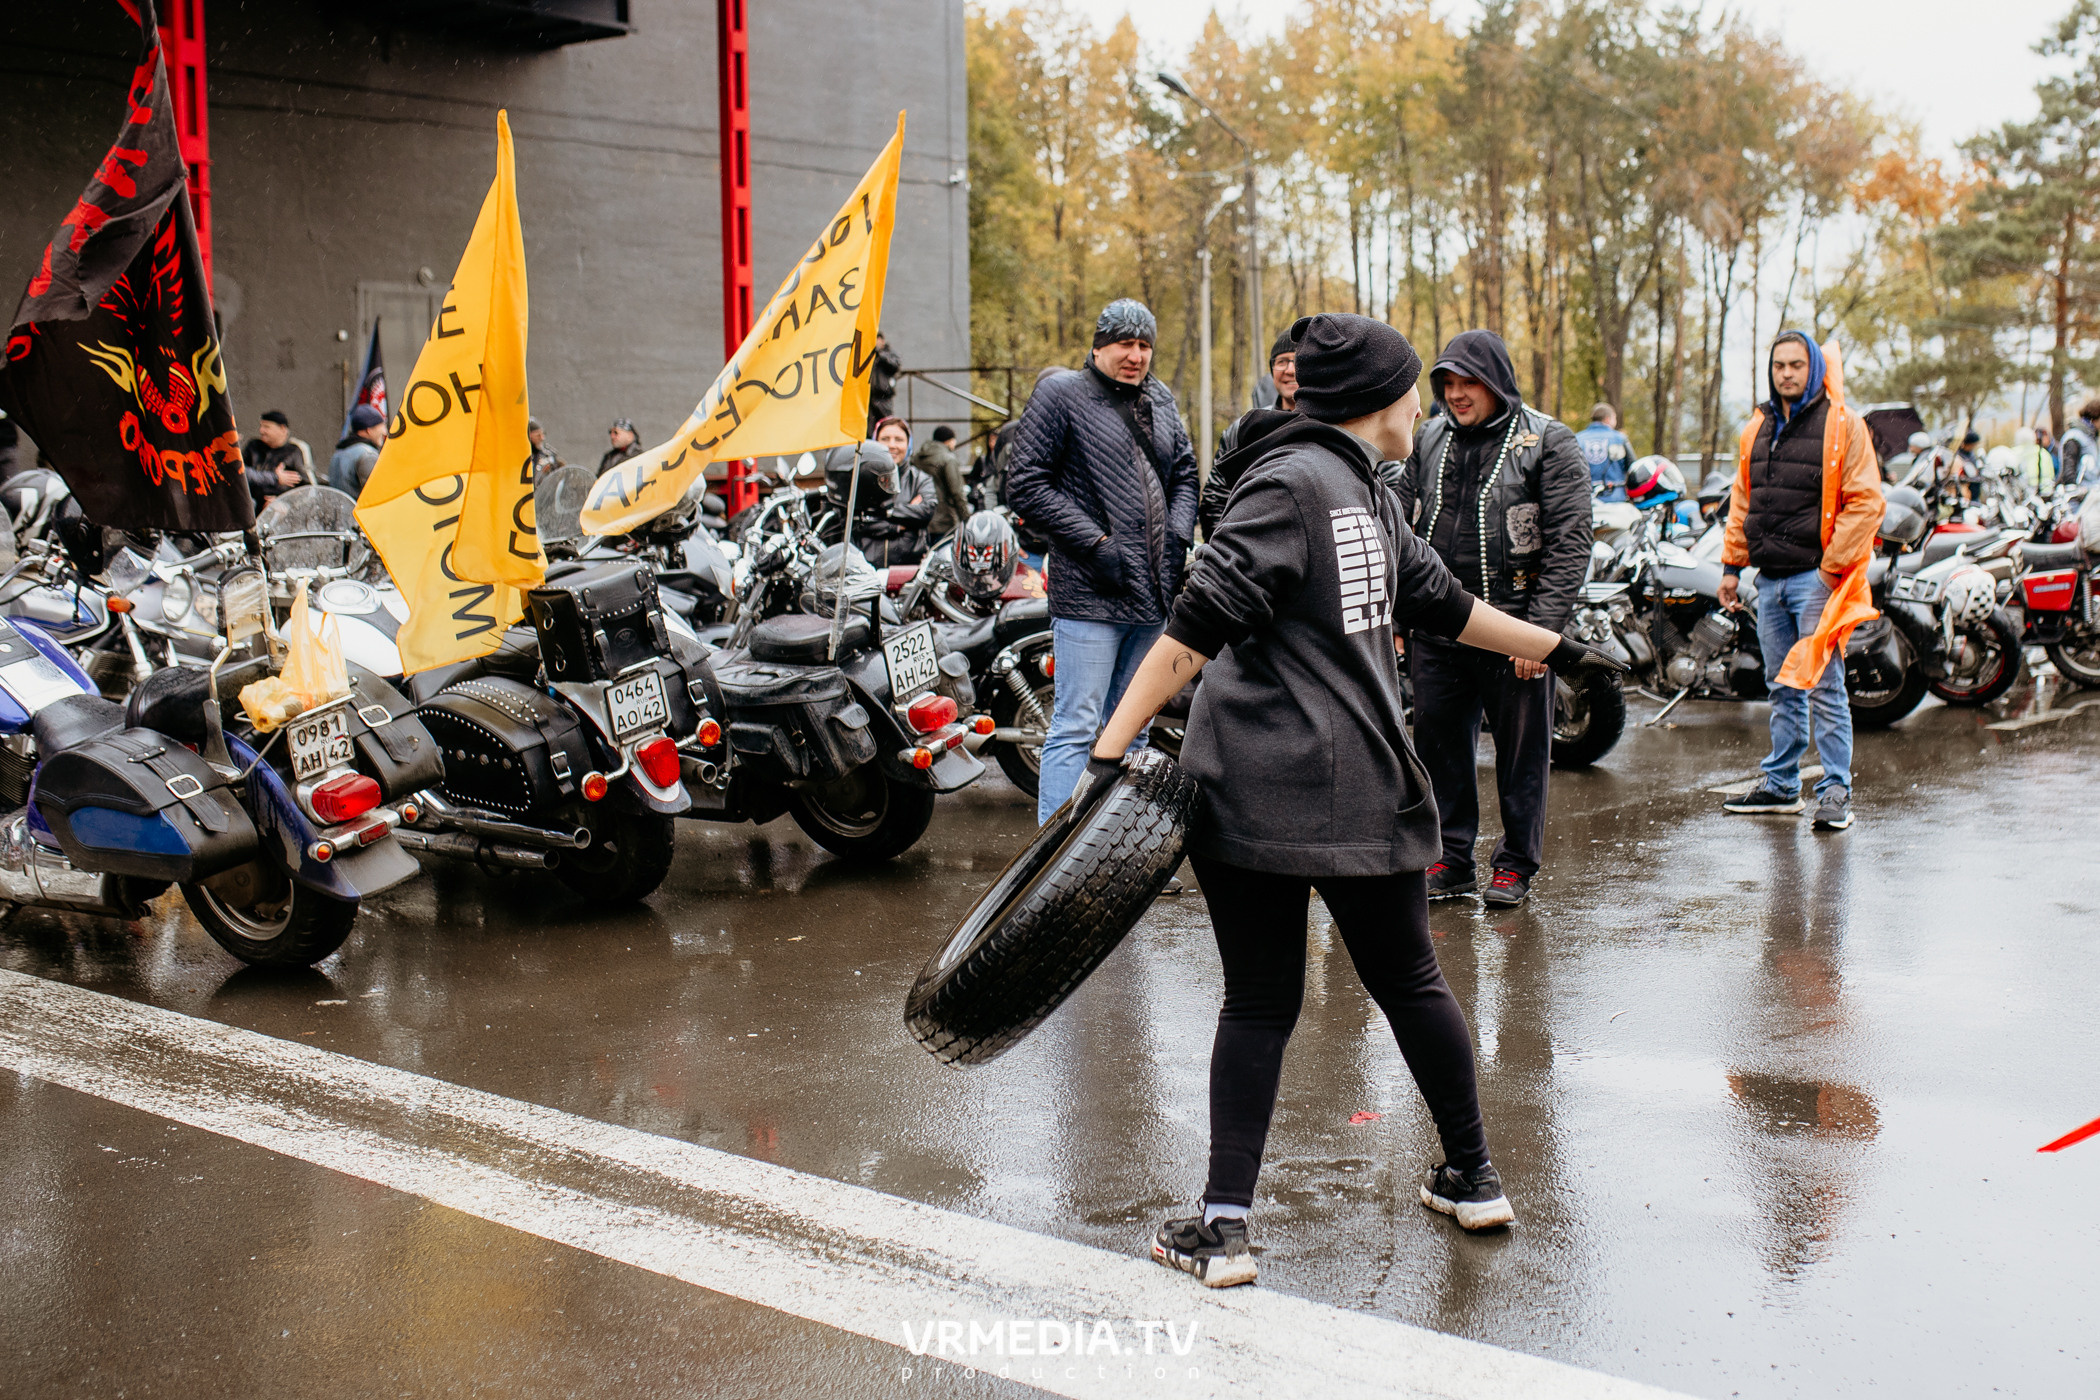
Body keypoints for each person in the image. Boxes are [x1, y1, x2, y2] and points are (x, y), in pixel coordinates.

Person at [1079, 312, 1628, 1286]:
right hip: (1351, 786)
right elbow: (1196, 623)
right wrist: (1107, 746)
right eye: (1414, 387)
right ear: (1378, 398)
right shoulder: (1314, 484)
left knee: (1262, 1002)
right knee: (1410, 982)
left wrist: (1564, 648)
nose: (1424, 404)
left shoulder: (1351, 487)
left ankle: (1226, 1226)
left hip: (1264, 786)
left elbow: (1445, 603)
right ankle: (1471, 1173)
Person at [1389, 330, 1590, 909]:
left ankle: (1515, 864)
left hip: (1515, 629)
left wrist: (1542, 634)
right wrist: (1400, 612)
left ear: (1496, 380)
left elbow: (1570, 544)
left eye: (1467, 381)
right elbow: (1399, 523)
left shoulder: (1549, 441)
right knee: (1439, 747)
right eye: (1447, 383)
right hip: (1439, 625)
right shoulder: (1427, 439)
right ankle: (1451, 860)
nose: (1455, 393)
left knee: (1522, 753)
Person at [1005, 297, 1199, 825]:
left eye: (1143, 345)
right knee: (1076, 723)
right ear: (1098, 346)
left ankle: (1113, 853)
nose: (1135, 355)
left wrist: (1179, 536)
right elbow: (1025, 484)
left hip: (1153, 593)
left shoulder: (1160, 398)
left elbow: (1184, 474)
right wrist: (1094, 543)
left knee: (1133, 727)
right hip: (1090, 592)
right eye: (1124, 344)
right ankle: (1053, 857)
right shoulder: (1061, 393)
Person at [1718, 331, 1882, 831]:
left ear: (1813, 367)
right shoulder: (1758, 427)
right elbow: (1743, 499)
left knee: (1825, 687)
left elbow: (1866, 501)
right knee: (1781, 685)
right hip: (1769, 581)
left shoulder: (1842, 424)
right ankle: (1782, 785)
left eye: (1795, 364)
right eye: (1778, 365)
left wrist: (1832, 568)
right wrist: (1731, 567)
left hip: (1816, 580)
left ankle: (1835, 791)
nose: (1786, 373)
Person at [1200, 328, 1299, 538]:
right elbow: (1216, 498)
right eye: (1282, 361)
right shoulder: (1244, 430)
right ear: (1272, 370)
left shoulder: (1335, 426)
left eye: (1298, 360)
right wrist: (1229, 554)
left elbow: (1386, 485)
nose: (1290, 369)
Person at [866, 416, 935, 565]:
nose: (892, 445)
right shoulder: (863, 480)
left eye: (898, 439)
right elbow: (859, 521)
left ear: (908, 444)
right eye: (885, 439)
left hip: (908, 569)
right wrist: (900, 524)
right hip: (868, 569)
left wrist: (884, 512)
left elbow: (926, 511)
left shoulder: (920, 479)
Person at [242, 410, 312, 508]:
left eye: (267, 427)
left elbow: (306, 490)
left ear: (282, 429)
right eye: (261, 426)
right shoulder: (253, 447)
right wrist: (275, 478)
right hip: (252, 507)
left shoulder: (294, 452)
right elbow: (242, 474)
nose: (261, 431)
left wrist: (282, 500)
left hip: (280, 511)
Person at [912, 425, 972, 538]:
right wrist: (967, 519)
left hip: (920, 517)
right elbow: (957, 492)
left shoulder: (917, 457)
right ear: (949, 441)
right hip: (944, 520)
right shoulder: (948, 459)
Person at [1575, 402, 1633, 501]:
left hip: (1584, 500)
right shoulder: (1619, 439)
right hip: (1615, 499)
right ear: (1607, 419)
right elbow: (1632, 469)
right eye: (1615, 418)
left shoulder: (1577, 439)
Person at [328, 405, 386, 497]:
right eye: (381, 427)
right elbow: (378, 495)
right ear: (369, 430)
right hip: (357, 511)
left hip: (339, 510)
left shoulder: (338, 454)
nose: (385, 432)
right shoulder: (368, 455)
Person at [866, 332, 902, 436]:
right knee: (870, 428)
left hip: (883, 396)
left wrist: (880, 354)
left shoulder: (888, 353)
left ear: (882, 340)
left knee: (886, 424)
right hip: (869, 397)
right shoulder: (870, 354)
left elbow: (895, 365)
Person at [2061, 398, 2100, 488]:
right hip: (2080, 496)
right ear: (2095, 417)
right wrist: (2072, 487)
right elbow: (2069, 469)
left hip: (2092, 493)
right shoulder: (2075, 437)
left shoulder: (2091, 437)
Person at [527, 417, 564, 483]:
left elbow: (560, 477)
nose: (542, 438)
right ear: (529, 436)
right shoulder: (522, 456)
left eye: (543, 434)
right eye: (538, 435)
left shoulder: (548, 455)